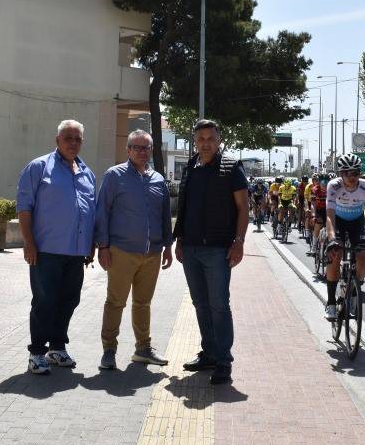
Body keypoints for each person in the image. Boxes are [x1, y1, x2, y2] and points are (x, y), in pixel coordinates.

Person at [16, 120, 97, 375]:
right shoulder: (39, 167)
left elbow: (90, 213)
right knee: (44, 301)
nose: (73, 143)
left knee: (69, 300)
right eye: (68, 138)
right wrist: (29, 243)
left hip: (76, 253)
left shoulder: (87, 173)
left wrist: (90, 244)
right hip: (46, 251)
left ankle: (57, 348)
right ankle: (37, 353)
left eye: (77, 139)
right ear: (57, 140)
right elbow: (24, 208)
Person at [173, 119, 249, 385]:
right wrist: (179, 240)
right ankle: (209, 353)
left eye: (211, 139)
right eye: (201, 139)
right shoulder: (190, 168)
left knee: (218, 305)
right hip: (190, 248)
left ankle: (224, 361)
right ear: (195, 141)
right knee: (200, 304)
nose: (206, 143)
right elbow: (184, 206)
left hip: (218, 249)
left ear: (218, 141)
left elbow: (243, 207)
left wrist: (239, 241)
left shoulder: (231, 167)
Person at [94, 130, 173, 371]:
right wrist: (103, 246)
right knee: (115, 302)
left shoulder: (158, 179)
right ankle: (109, 350)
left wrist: (168, 246)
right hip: (121, 252)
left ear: (151, 150)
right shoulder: (114, 176)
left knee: (143, 303)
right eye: (136, 147)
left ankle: (143, 349)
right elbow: (102, 212)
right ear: (127, 150)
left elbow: (164, 215)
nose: (141, 151)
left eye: (146, 147)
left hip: (152, 254)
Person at [324, 154, 365, 321]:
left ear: (360, 173)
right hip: (338, 221)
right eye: (346, 173)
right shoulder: (333, 185)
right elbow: (329, 215)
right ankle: (331, 302)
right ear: (340, 173)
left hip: (356, 222)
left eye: (355, 173)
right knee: (335, 255)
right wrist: (332, 238)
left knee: (364, 255)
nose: (351, 177)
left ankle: (353, 290)